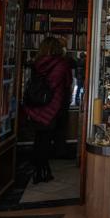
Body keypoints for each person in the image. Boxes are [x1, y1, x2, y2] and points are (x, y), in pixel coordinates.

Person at [23, 37, 73, 184]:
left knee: (39, 139)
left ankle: (39, 169)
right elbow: (67, 83)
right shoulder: (62, 64)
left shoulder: (38, 63)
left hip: (36, 106)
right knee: (45, 140)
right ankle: (42, 171)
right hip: (53, 107)